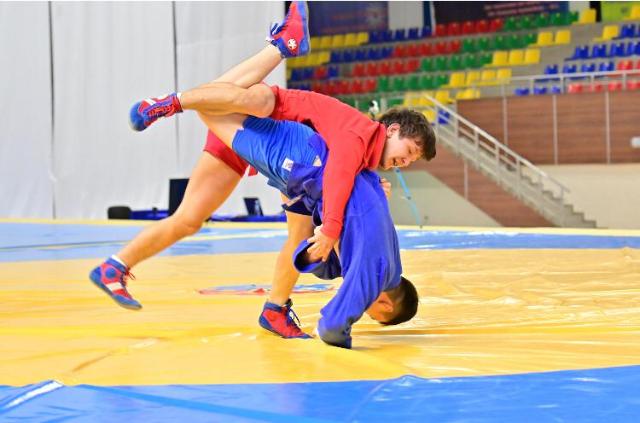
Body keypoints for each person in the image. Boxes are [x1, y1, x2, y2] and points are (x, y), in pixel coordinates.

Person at [89, 1, 435, 340]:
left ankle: (116, 266)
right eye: (407, 153)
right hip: (277, 132)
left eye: (410, 161)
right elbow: (339, 173)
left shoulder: (369, 157)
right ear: (392, 130)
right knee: (228, 104)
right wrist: (331, 230)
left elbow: (349, 181)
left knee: (196, 218)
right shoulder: (361, 134)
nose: (404, 163)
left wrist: (373, 189)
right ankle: (275, 50)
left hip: (289, 162)